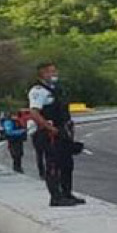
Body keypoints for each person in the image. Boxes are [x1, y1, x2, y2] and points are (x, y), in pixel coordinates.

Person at [26, 62, 85, 207]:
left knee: (67, 163)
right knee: (53, 164)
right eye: (51, 72)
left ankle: (67, 193)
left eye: (55, 71)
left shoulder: (56, 89)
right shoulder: (38, 91)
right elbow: (34, 112)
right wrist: (49, 128)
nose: (55, 74)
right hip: (49, 133)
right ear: (43, 74)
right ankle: (56, 197)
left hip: (62, 130)